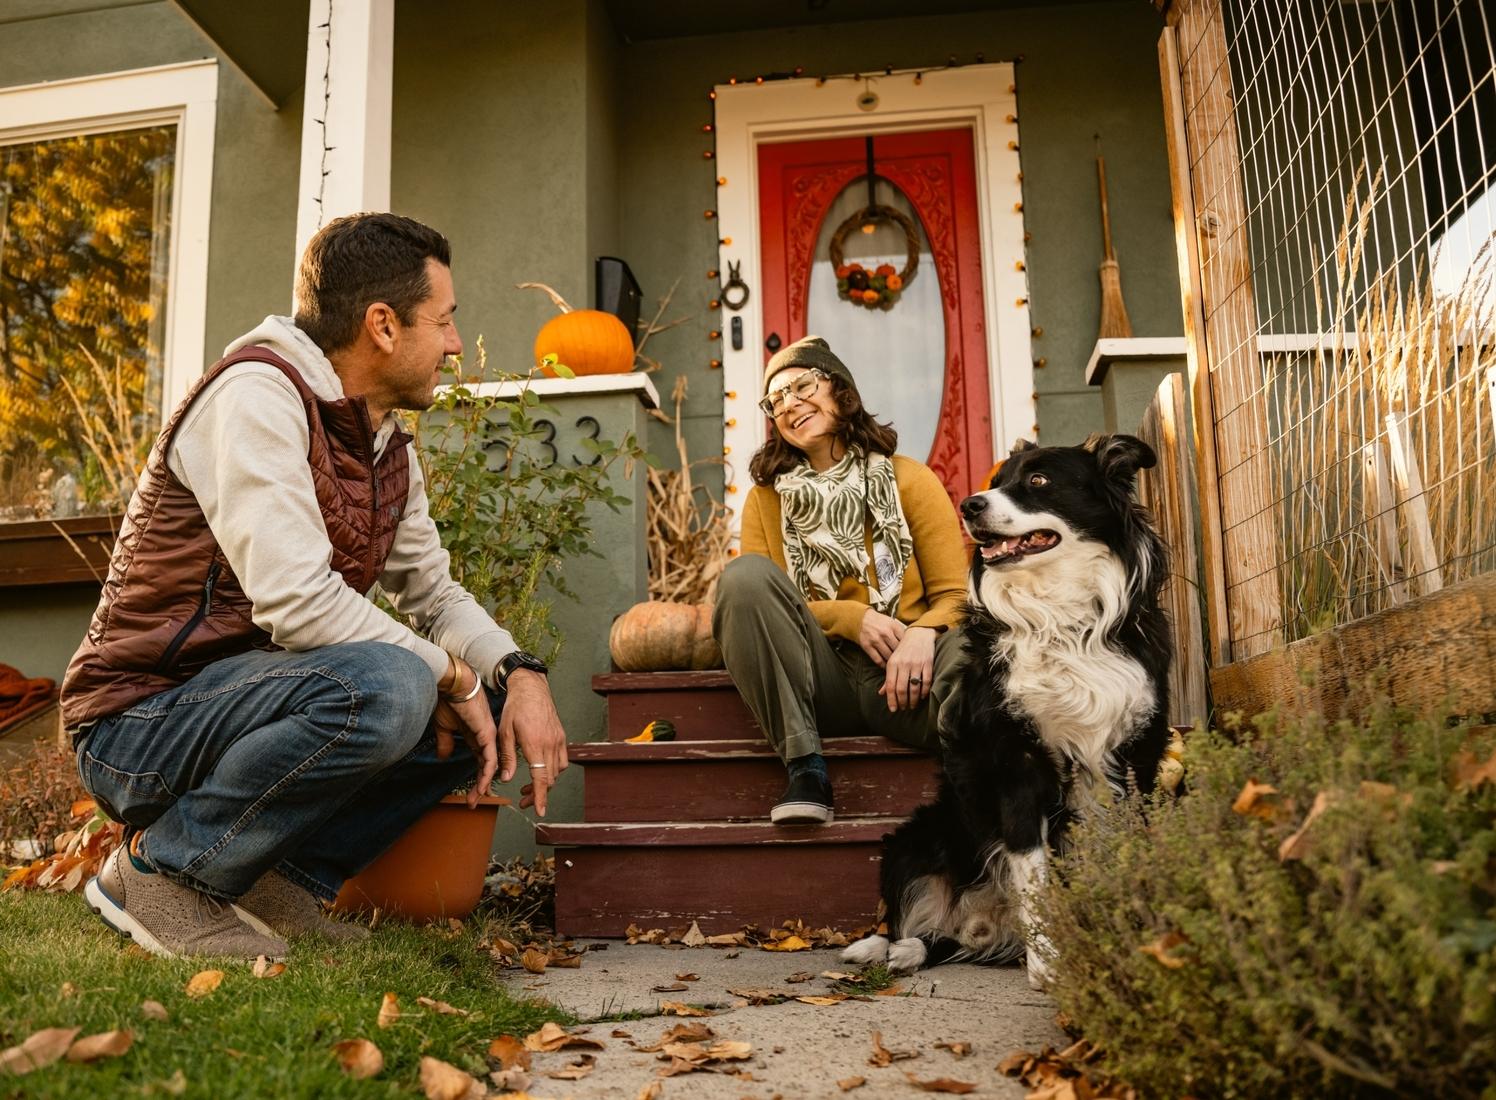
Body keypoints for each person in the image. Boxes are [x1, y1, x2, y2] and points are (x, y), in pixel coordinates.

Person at [60, 213, 567, 961]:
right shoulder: (256, 397)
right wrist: (448, 673)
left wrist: (513, 671)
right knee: (394, 686)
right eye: (446, 320)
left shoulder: (382, 440)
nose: (457, 344)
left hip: (252, 700)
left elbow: (433, 594)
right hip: (140, 720)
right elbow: (296, 602)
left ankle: (275, 883)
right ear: (383, 325)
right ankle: (160, 871)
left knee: (478, 705)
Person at [712, 336, 967, 825]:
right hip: (815, 676)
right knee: (744, 578)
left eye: (801, 385)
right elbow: (769, 604)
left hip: (901, 678)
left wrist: (923, 632)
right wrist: (852, 618)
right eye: (777, 399)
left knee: (975, 644)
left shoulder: (909, 479)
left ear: (839, 390)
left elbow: (954, 596)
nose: (790, 404)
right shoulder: (766, 500)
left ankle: (990, 771)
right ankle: (806, 768)